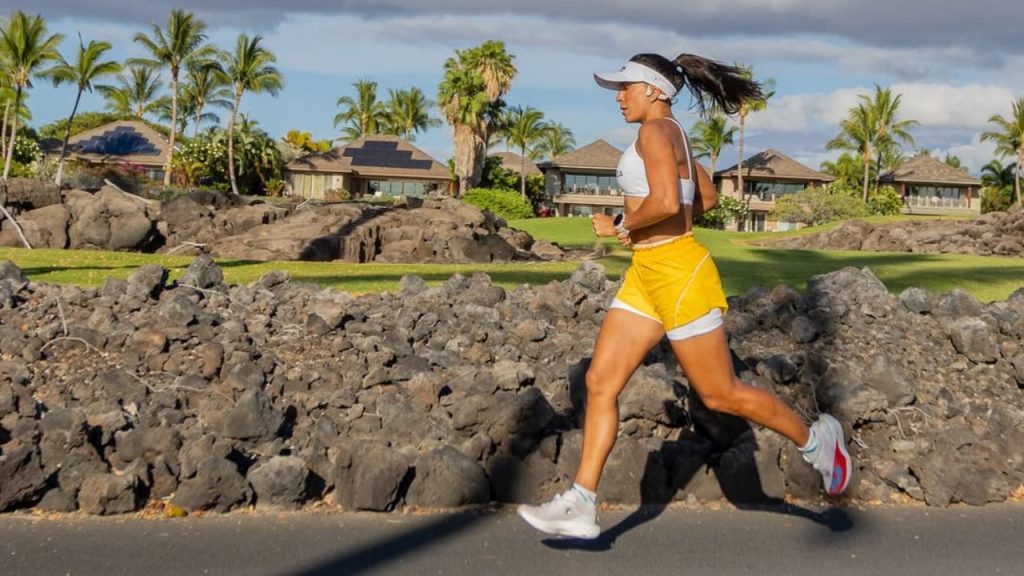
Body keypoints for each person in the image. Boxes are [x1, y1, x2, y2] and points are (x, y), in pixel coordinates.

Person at [517, 53, 852, 540]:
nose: (618, 96)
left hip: (679, 274)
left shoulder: (656, 132)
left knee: (720, 394)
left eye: (625, 87)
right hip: (648, 273)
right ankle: (581, 503)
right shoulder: (670, 133)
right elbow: (706, 199)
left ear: (653, 89)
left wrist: (620, 224)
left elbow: (670, 203)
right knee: (601, 381)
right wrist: (644, 229)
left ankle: (816, 440)